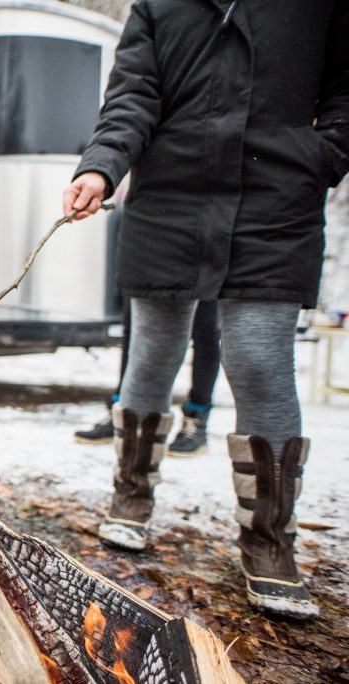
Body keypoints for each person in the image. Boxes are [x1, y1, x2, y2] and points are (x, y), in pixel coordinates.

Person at [63, 1, 348, 619]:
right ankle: (131, 494)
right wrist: (103, 165)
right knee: (153, 354)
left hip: (275, 195)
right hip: (170, 194)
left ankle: (269, 541)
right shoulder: (159, 3)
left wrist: (323, 156)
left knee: (259, 360)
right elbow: (133, 94)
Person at [75, 298, 220, 457]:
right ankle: (123, 413)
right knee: (133, 327)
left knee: (206, 330)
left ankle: (196, 421)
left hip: (208, 276)